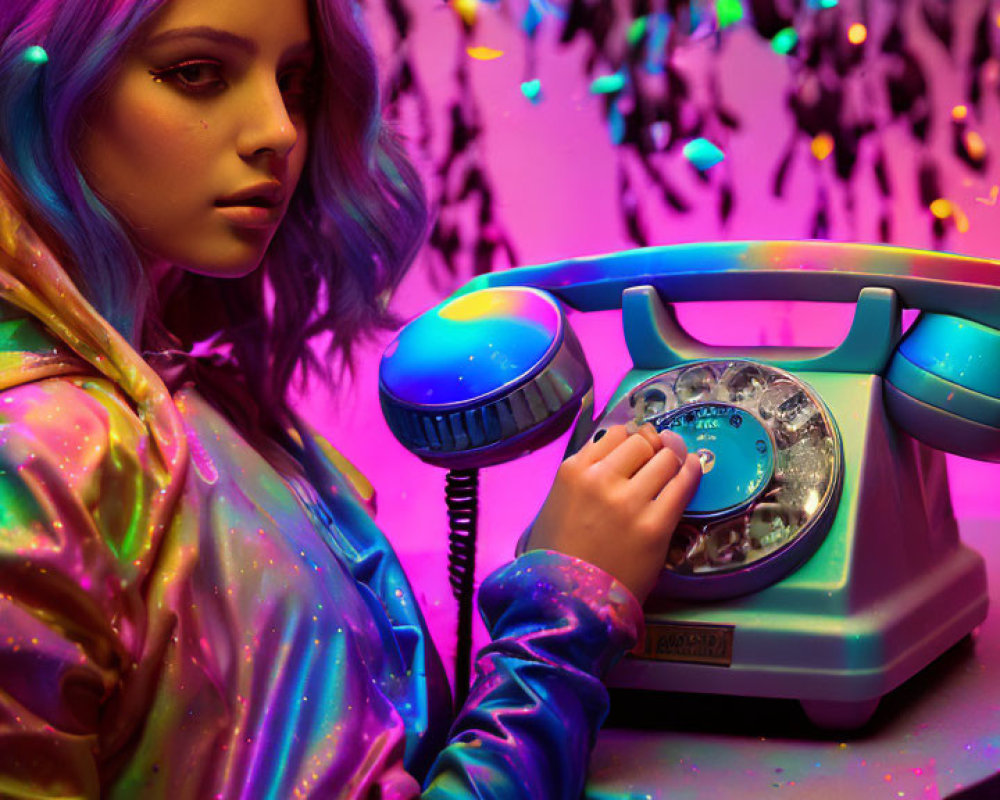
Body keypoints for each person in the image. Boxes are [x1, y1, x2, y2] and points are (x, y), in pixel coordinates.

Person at [0, 0, 702, 796]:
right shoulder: (39, 451)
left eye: (295, 81)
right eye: (196, 73)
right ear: (35, 89)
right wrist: (564, 614)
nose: (278, 130)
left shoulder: (194, 401)